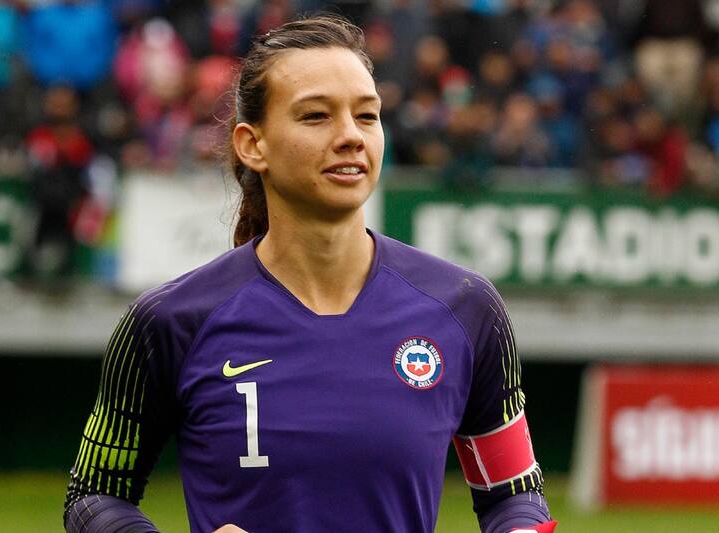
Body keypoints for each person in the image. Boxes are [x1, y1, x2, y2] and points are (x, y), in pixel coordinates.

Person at [63, 15, 556, 533]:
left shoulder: (465, 308)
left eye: (367, 116)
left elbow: (513, 494)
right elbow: (94, 496)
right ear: (253, 145)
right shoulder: (169, 321)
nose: (350, 137)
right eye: (316, 116)